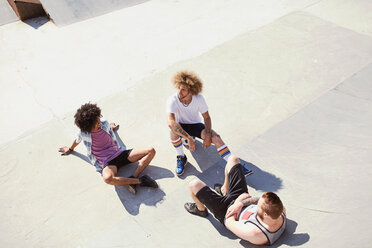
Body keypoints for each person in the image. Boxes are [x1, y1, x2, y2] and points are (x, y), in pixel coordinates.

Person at [184, 154, 286, 245]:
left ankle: (201, 209)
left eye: (258, 204)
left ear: (265, 214)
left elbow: (229, 222)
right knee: (233, 159)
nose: (257, 201)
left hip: (225, 210)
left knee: (193, 185)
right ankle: (225, 189)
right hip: (241, 200)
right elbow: (258, 200)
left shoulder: (256, 233)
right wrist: (241, 203)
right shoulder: (279, 211)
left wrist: (237, 203)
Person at [58, 103, 158, 194]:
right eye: (96, 123)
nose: (99, 122)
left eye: (99, 119)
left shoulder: (104, 123)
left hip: (120, 153)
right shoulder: (84, 133)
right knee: (107, 179)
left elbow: (107, 127)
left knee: (151, 151)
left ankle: (133, 177)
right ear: (88, 127)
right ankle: (140, 181)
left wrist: (110, 127)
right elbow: (77, 140)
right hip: (108, 163)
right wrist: (70, 149)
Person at [166, 70, 251, 176]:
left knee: (216, 138)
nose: (179, 92)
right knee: (173, 131)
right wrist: (188, 138)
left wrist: (208, 135)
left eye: (183, 90)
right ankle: (181, 156)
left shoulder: (199, 99)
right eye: (179, 88)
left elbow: (206, 118)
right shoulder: (172, 100)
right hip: (181, 126)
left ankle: (235, 166)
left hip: (195, 125)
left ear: (191, 91)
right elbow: (171, 122)